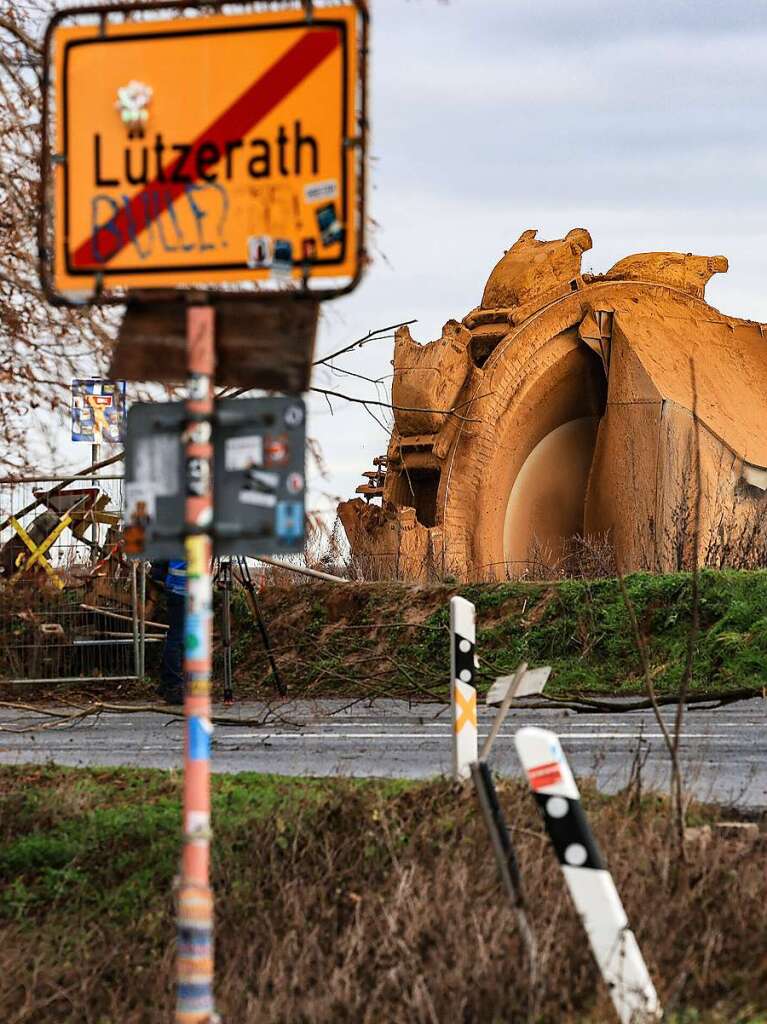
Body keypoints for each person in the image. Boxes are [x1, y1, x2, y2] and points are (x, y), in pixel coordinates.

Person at [149, 560, 187, 705]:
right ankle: (173, 686)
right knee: (177, 638)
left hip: (176, 587)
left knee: (176, 637)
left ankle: (168, 682)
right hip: (183, 588)